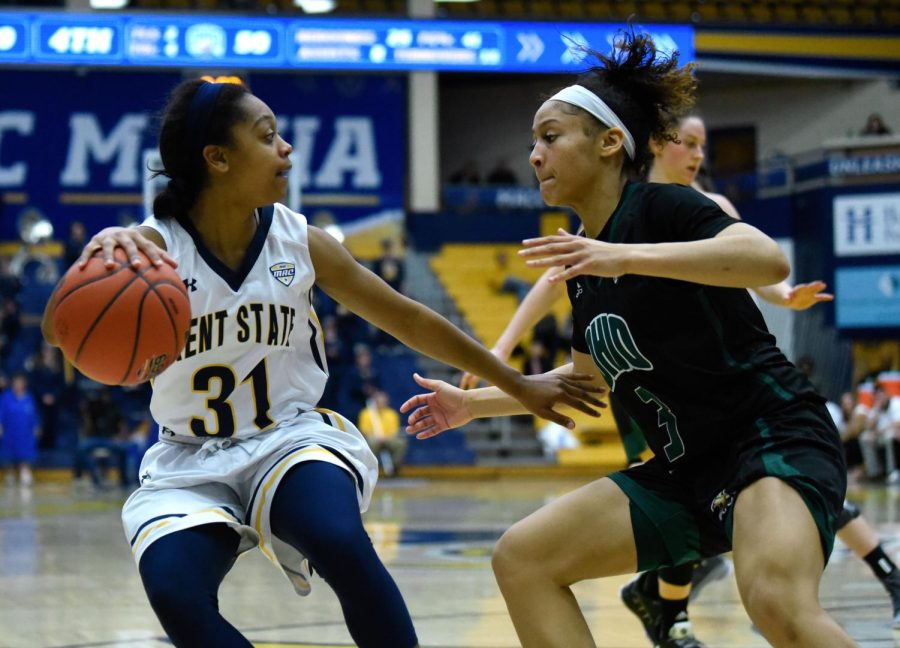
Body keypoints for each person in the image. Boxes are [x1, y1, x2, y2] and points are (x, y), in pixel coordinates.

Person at [41, 78, 602, 648]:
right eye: (267, 137)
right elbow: (57, 331)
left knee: (337, 538)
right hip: (189, 459)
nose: (286, 148)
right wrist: (96, 258)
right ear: (218, 159)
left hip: (287, 440)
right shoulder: (151, 249)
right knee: (174, 594)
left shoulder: (299, 240)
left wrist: (517, 383)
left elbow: (407, 318)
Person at [401, 30, 854, 648]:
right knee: (523, 558)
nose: (534, 155)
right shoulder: (584, 275)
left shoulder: (664, 208)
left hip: (767, 436)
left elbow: (766, 259)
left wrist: (624, 256)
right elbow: (584, 385)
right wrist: (472, 405)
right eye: (533, 141)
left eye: (551, 136)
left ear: (611, 142)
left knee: (776, 601)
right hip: (683, 469)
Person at [0, 372, 40, 487]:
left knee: (26, 452)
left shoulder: (29, 398)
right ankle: (10, 473)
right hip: (10, 430)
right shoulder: (6, 397)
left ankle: (25, 472)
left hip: (25, 431)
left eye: (21, 382)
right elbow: (1, 412)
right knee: (8, 453)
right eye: (16, 382)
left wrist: (36, 426)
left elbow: (34, 414)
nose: (18, 385)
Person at [358, 390, 405, 477]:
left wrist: (385, 438)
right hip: (373, 439)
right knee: (370, 443)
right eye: (379, 401)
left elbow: (394, 431)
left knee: (400, 443)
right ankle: (371, 470)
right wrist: (375, 437)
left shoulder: (392, 414)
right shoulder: (366, 413)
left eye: (383, 401)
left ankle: (395, 469)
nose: (381, 403)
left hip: (388, 439)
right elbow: (364, 430)